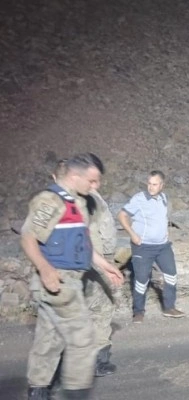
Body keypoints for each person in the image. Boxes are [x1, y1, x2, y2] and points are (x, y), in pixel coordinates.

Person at [22, 153, 124, 400]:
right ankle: (76, 395)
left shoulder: (77, 203)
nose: (96, 186)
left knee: (50, 338)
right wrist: (45, 269)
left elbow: (82, 245)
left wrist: (104, 265)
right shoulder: (51, 200)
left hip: (67, 280)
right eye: (92, 180)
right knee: (83, 339)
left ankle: (38, 390)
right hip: (59, 280)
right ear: (75, 176)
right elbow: (28, 237)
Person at [50, 155, 120, 378]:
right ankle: (89, 360)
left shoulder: (79, 198)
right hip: (83, 263)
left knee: (90, 308)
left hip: (86, 262)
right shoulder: (75, 200)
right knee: (92, 308)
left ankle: (83, 360)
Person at [117, 170, 185, 323]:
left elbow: (162, 217)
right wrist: (132, 234)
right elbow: (121, 215)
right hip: (144, 247)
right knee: (142, 279)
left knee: (171, 275)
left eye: (155, 184)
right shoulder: (139, 199)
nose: (151, 187)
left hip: (163, 246)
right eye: (149, 183)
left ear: (162, 185)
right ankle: (138, 312)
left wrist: (165, 231)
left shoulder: (163, 198)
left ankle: (169, 307)